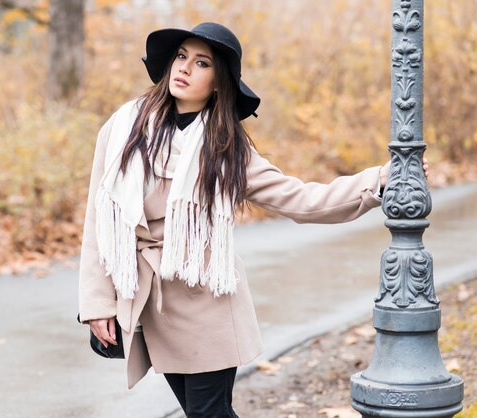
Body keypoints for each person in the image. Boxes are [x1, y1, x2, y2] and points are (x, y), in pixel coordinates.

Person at [78, 22, 429, 418]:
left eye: (201, 62)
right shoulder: (124, 128)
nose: (185, 68)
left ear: (218, 82)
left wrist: (375, 182)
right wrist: (96, 303)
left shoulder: (227, 149)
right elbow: (98, 220)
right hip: (148, 302)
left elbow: (299, 200)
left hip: (206, 301)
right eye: (181, 57)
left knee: (209, 413)